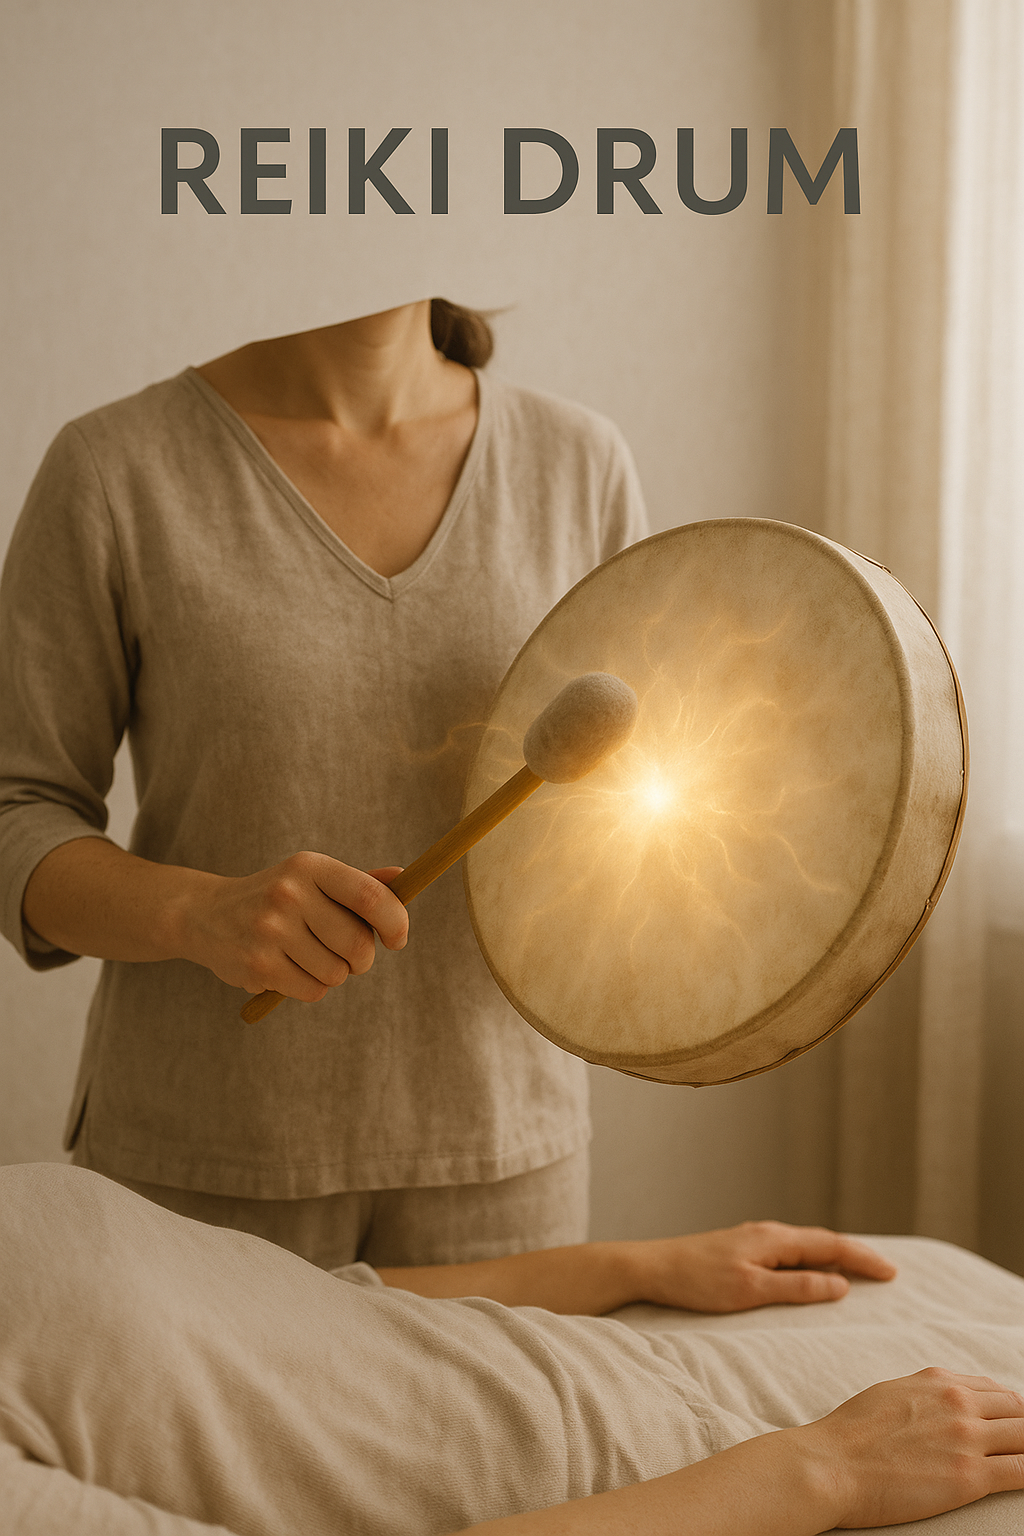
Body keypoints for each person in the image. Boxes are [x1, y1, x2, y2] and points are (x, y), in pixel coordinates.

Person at [0, 299, 648, 1270]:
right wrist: (203, 912)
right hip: (199, 1171)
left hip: (502, 1171)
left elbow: (627, 805)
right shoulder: (112, 471)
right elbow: (18, 812)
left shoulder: (579, 464)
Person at [2, 1162, 1024, 1536]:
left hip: (594, 1354)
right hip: (679, 1473)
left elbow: (300, 1305)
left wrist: (632, 1265)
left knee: (935, 1274)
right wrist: (828, 1469)